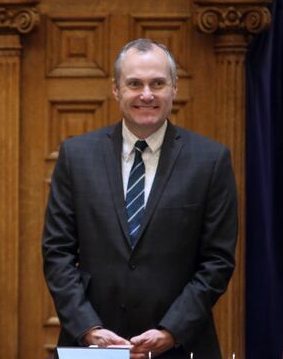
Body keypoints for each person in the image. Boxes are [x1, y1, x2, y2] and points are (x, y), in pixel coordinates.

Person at [42, 38, 238, 358]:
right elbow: (57, 252)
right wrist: (88, 328)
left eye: (157, 83)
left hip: (181, 344)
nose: (146, 94)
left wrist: (171, 330)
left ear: (174, 88)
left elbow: (217, 261)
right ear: (116, 90)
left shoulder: (210, 161)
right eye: (134, 84)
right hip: (93, 344)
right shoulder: (76, 156)